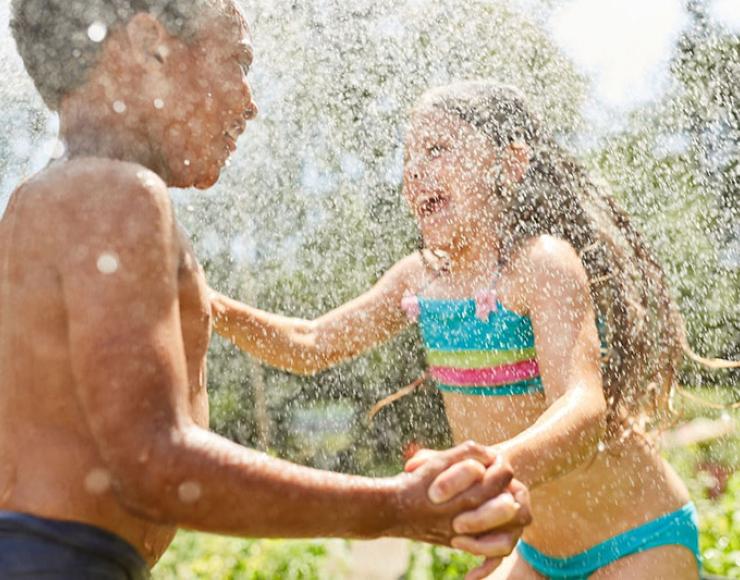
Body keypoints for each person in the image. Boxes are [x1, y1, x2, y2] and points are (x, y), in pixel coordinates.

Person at [0, 3, 531, 579]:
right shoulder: (114, 193)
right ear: (151, 45)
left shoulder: (48, 199)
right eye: (237, 62)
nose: (250, 102)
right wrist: (395, 507)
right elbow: (155, 462)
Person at [211, 81, 722, 578]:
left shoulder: (540, 265)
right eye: (408, 159)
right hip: (541, 557)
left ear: (511, 164)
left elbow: (583, 409)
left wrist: (490, 466)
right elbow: (310, 344)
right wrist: (211, 307)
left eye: (436, 149)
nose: (415, 172)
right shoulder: (420, 279)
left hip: (635, 539)